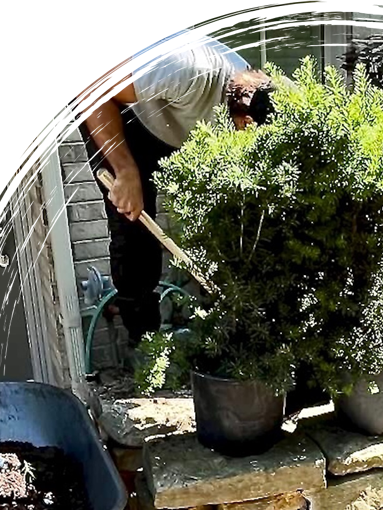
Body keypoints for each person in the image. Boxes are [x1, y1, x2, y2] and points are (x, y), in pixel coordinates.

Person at [67, 27, 274, 346]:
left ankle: (223, 331)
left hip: (170, 119)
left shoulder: (254, 102)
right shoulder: (185, 66)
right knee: (134, 221)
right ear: (245, 121)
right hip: (110, 101)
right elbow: (90, 90)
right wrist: (126, 171)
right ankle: (146, 345)